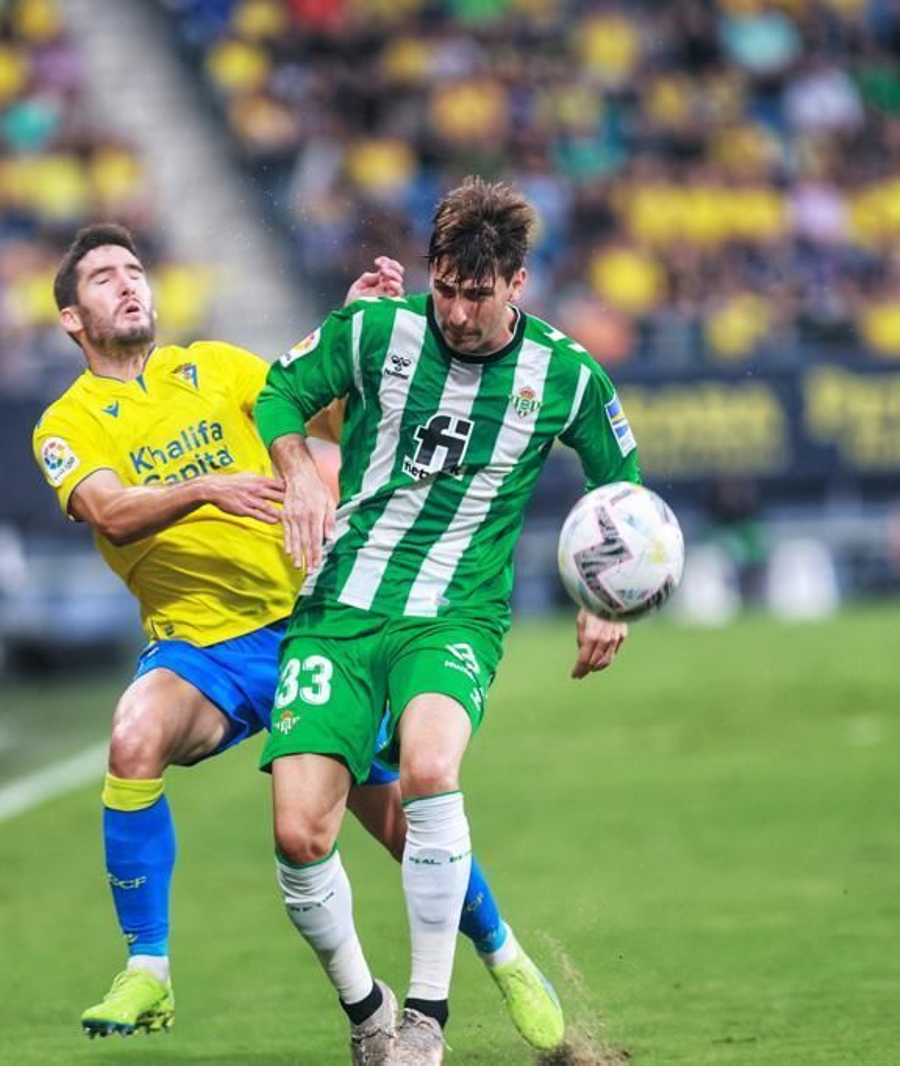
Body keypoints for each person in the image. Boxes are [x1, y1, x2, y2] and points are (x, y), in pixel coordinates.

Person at [32, 223, 561, 1056]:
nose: (130, 285)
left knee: (403, 822)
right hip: (202, 652)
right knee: (134, 732)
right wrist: (208, 487)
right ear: (72, 318)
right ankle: (150, 968)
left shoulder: (213, 365)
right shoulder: (67, 423)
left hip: (312, 627)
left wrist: (351, 329)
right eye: (104, 279)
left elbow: (314, 402)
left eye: (136, 270)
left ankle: (505, 955)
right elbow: (107, 510)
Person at [256, 177, 639, 1064]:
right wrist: (298, 466)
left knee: (429, 767)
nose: (459, 313)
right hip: (340, 605)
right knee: (297, 832)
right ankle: (369, 1011)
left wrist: (607, 599)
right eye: (446, 289)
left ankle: (427, 1023)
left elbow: (621, 483)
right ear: (429, 273)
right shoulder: (374, 330)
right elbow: (278, 391)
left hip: (455, 614)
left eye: (478, 293)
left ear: (517, 284)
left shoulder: (566, 375)